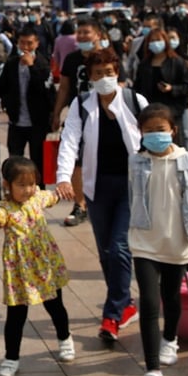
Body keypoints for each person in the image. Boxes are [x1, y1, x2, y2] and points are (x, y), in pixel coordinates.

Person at [56, 48, 148, 343]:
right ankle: (126, 304)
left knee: (120, 248)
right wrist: (62, 177)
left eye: (109, 72)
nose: (105, 78)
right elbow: (69, 142)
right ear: (90, 77)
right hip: (97, 188)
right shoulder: (82, 104)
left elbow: (152, 138)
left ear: (117, 72)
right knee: (107, 252)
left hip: (131, 187)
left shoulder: (134, 100)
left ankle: (111, 315)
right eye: (99, 74)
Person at [128, 104, 188, 376]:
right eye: (149, 131)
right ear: (141, 133)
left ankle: (170, 338)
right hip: (144, 242)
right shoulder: (135, 162)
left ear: (173, 130)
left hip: (176, 241)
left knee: (170, 296)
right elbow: (131, 196)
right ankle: (152, 371)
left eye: (160, 130)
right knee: (149, 301)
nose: (155, 135)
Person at [0, 157, 74, 376]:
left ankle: (65, 338)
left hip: (45, 267)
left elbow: (53, 196)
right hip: (20, 272)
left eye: (31, 184)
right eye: (21, 185)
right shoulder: (5, 208)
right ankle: (11, 358)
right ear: (7, 185)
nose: (27, 189)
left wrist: (64, 188)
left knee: (56, 306)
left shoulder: (38, 197)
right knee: (16, 316)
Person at [51, 19, 125, 227]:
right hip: (79, 114)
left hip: (105, 115)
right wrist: (57, 112)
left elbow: (120, 84)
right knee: (76, 159)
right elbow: (64, 87)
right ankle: (80, 204)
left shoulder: (109, 57)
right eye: (79, 32)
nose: (82, 36)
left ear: (98, 35)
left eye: (87, 32)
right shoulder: (72, 59)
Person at [0, 26, 55, 187]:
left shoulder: (43, 64)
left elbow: (46, 91)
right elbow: (3, 85)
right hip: (17, 121)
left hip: (37, 122)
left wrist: (31, 67)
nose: (25, 47)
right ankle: (15, 190)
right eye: (22, 43)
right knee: (15, 158)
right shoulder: (12, 64)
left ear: (37, 44)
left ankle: (38, 192)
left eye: (30, 44)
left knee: (37, 159)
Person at [132, 29, 188, 146]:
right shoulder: (144, 64)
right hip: (150, 110)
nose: (155, 43)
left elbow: (187, 85)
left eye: (158, 40)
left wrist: (172, 88)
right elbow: (137, 87)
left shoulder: (177, 62)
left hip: (172, 110)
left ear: (165, 41)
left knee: (175, 143)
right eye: (152, 40)